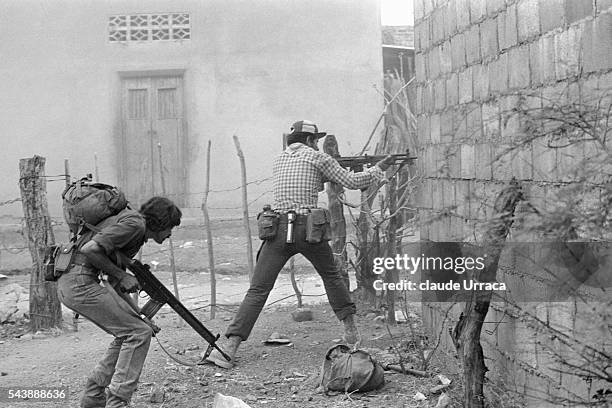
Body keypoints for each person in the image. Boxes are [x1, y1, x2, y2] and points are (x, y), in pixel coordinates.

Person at [206, 120, 393, 369]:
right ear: (309, 140)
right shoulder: (318, 158)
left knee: (258, 289)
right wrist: (376, 171)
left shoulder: (280, 159)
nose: (316, 145)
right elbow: (352, 182)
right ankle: (351, 333)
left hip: (277, 229)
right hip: (308, 229)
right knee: (332, 277)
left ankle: (229, 347)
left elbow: (308, 181)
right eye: (314, 141)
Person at [57, 197, 182, 408]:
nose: (170, 234)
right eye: (170, 227)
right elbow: (90, 250)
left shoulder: (132, 228)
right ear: (160, 223)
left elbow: (115, 282)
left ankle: (94, 397)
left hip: (73, 283)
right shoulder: (135, 224)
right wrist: (123, 275)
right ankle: (117, 402)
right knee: (137, 333)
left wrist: (141, 316)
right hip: (79, 283)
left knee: (134, 330)